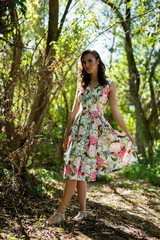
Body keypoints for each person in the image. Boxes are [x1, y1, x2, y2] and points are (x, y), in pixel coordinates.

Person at [46, 49, 137, 225]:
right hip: (79, 130)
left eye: (90, 61)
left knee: (80, 171)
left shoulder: (109, 84)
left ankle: (65, 212)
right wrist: (66, 134)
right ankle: (70, 212)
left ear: (97, 61)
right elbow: (74, 112)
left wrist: (127, 132)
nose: (87, 65)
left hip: (95, 132)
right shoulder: (81, 84)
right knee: (74, 169)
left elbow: (115, 110)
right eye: (84, 62)